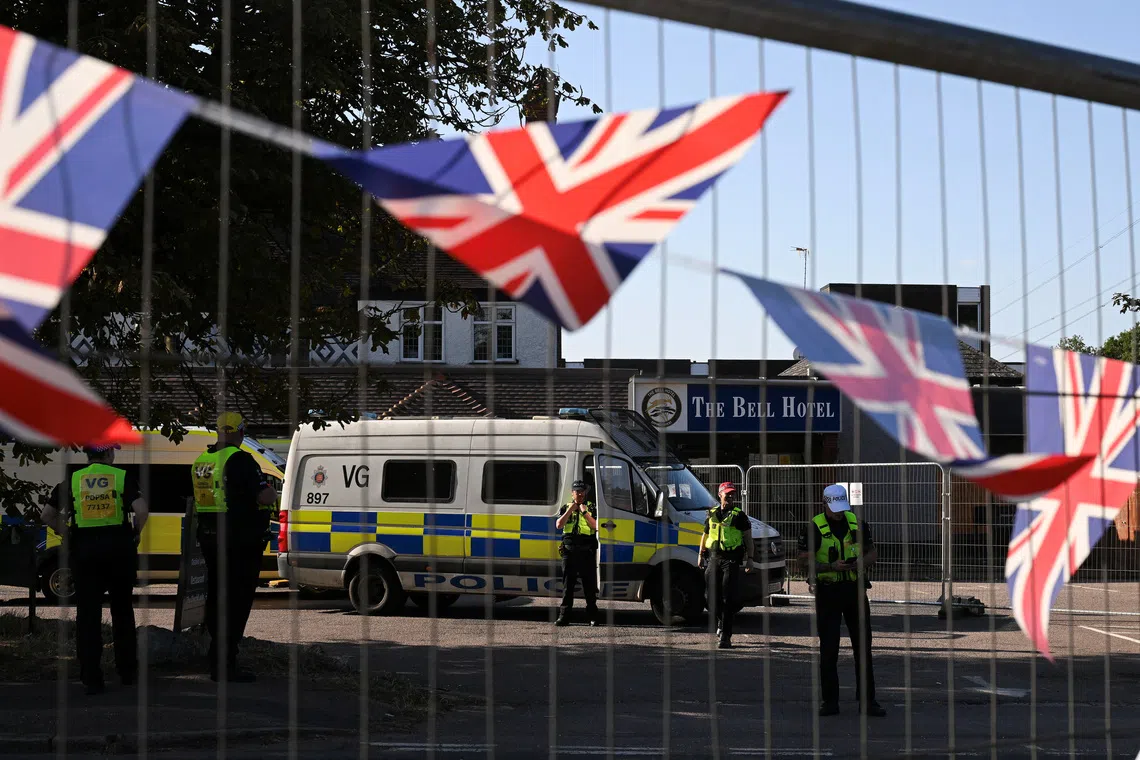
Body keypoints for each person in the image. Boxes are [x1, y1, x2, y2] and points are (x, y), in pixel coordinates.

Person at [42, 444, 149, 695]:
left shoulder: (72, 481)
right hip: (119, 552)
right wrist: (134, 534)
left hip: (85, 553)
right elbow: (142, 511)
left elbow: (47, 515)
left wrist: (68, 532)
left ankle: (91, 676)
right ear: (109, 454)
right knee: (122, 611)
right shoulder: (122, 477)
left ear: (88, 455)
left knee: (87, 615)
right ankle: (127, 672)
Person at [191, 411, 277, 682]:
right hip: (239, 541)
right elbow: (263, 496)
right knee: (237, 603)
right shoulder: (241, 460)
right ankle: (226, 664)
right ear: (240, 432)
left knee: (217, 598)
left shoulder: (202, 461)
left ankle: (215, 660)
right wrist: (272, 491)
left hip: (209, 538)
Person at [798, 484, 886, 718]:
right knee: (829, 648)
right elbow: (804, 562)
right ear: (824, 503)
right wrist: (829, 567)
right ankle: (830, 701)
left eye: (841, 507)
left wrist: (860, 563)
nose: (838, 512)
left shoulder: (857, 523)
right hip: (828, 592)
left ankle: (868, 701)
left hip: (854, 590)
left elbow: (872, 553)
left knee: (863, 647)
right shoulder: (814, 527)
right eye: (834, 507)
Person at [697, 482, 755, 649]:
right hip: (714, 558)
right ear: (720, 495)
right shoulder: (712, 514)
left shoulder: (739, 516)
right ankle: (720, 622)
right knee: (710, 598)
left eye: (732, 495)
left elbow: (748, 539)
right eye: (727, 494)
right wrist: (700, 555)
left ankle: (726, 636)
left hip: (731, 560)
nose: (730, 497)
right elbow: (705, 535)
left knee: (727, 598)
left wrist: (750, 558)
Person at [554, 480, 599, 626]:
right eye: (577, 491)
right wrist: (571, 509)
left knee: (589, 586)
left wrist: (584, 511)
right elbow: (559, 525)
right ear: (572, 493)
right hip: (569, 551)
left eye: (582, 491)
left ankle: (593, 617)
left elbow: (596, 526)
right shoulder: (566, 507)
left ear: (585, 492)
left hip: (587, 550)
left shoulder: (591, 506)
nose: (579, 494)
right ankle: (564, 616)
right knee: (568, 586)